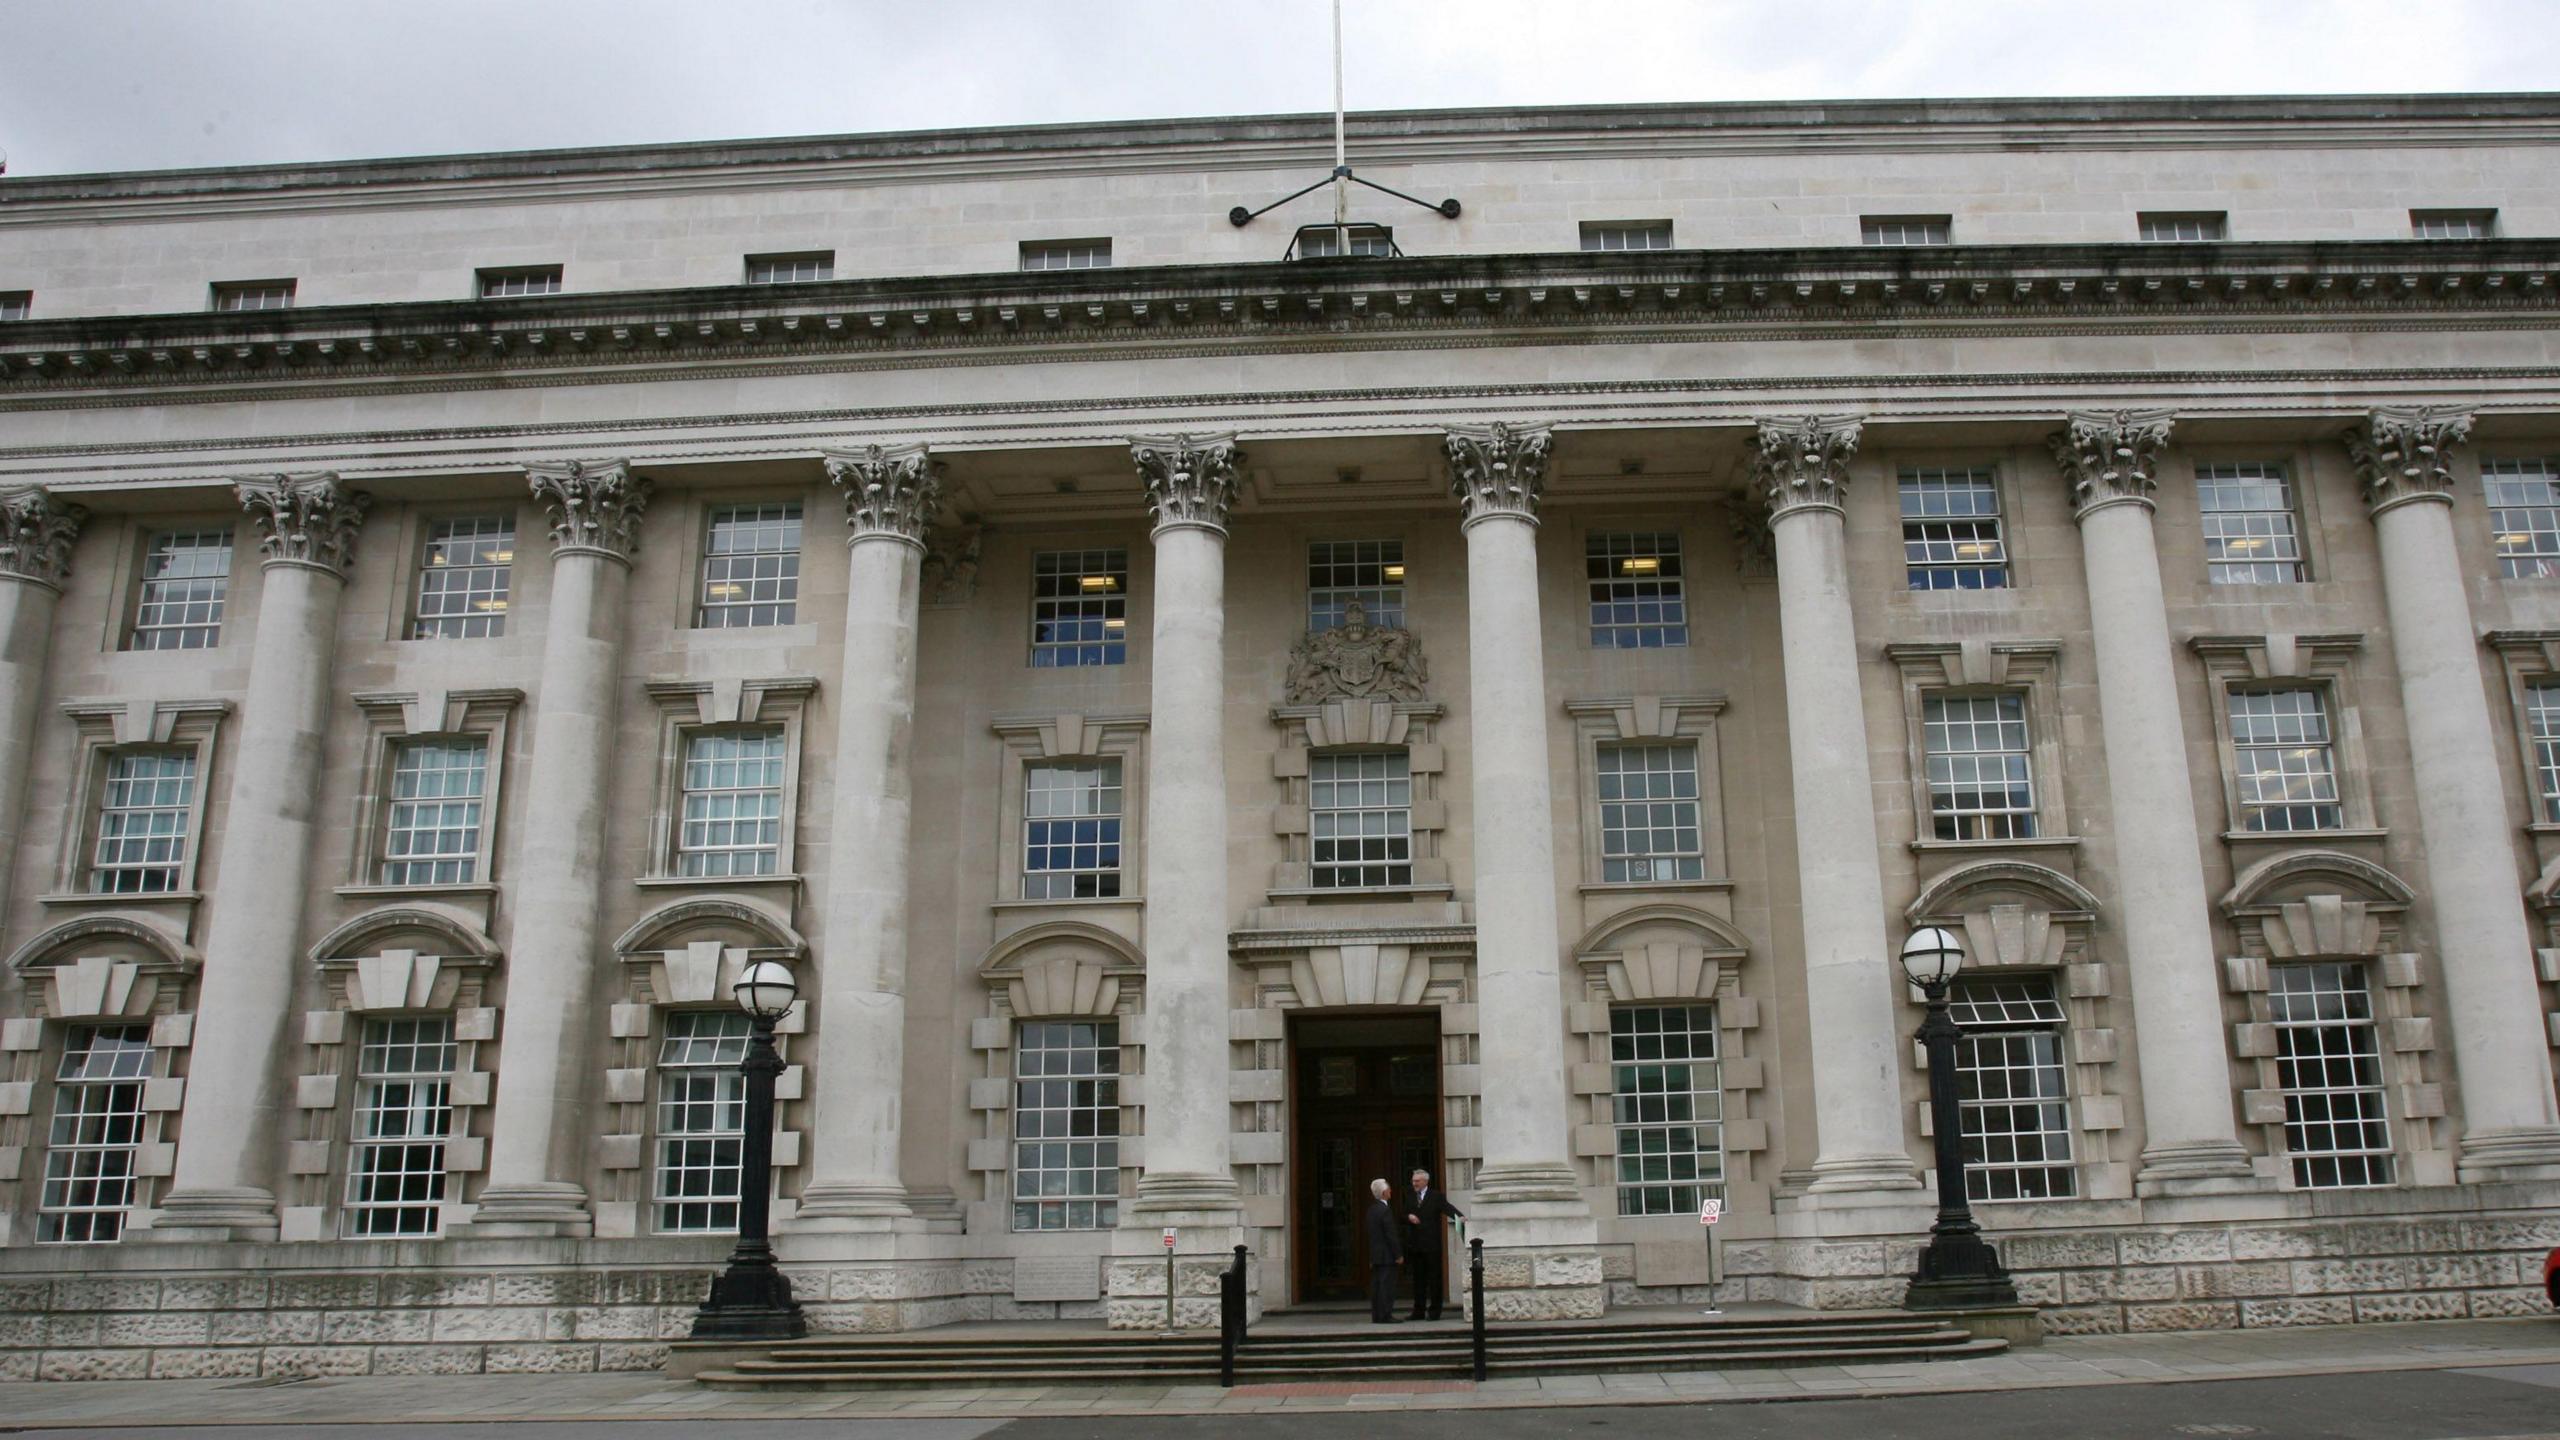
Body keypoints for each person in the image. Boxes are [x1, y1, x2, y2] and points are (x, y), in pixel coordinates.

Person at [1402, 1168, 1465, 1320]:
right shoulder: (1410, 1195)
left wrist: (1460, 1216)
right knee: (1418, 1280)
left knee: (1434, 1279)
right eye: (1413, 1181)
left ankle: (1434, 1312)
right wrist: (1408, 1216)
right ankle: (1418, 1311)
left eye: (1417, 1181)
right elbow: (1402, 1213)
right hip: (1416, 1245)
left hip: (1432, 1245)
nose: (1414, 1183)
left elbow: (1447, 1207)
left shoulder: (1436, 1196)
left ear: (1425, 1181)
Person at [1363, 1177, 1404, 1323]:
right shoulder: (1385, 1210)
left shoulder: (1371, 1209)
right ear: (1384, 1192)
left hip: (1376, 1255)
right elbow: (1390, 1234)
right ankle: (1386, 1315)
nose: (1391, 1191)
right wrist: (1398, 1254)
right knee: (1386, 1287)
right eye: (1389, 1189)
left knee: (1377, 1286)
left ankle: (1377, 1315)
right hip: (1387, 1256)